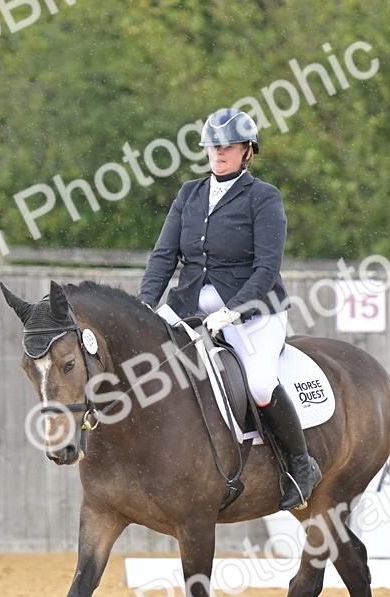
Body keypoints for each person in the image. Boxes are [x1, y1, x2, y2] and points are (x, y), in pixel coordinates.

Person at [138, 107, 322, 511]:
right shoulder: (189, 194)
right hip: (189, 305)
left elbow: (266, 268)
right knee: (142, 361)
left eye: (228, 147)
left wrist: (234, 310)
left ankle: (301, 464)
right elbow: (163, 255)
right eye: (212, 146)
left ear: (247, 151)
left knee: (258, 383)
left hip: (255, 310)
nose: (218, 153)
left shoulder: (263, 197)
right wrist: (145, 304)